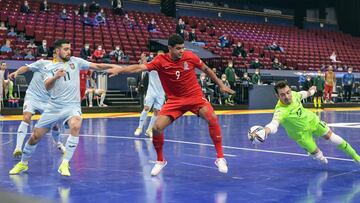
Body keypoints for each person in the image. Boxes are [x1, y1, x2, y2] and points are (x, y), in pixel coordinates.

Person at [107, 34, 235, 176]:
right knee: (156, 128)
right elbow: (139, 67)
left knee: (212, 117)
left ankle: (220, 158)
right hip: (175, 101)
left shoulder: (190, 56)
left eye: (183, 48)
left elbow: (206, 69)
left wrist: (221, 84)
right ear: (170, 48)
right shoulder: (160, 61)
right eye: (178, 48)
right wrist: (120, 70)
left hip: (195, 97)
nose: (182, 51)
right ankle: (160, 161)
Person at [9, 39, 119, 176]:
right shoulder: (48, 67)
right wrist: (55, 77)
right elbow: (47, 85)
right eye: (66, 49)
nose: (69, 51)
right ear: (57, 51)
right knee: (35, 136)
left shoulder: (76, 61)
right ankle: (23, 164)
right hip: (54, 106)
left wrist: (114, 66)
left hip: (72, 106)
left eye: (69, 49)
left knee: (76, 124)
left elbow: (96, 65)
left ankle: (65, 163)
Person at [259, 80, 360, 166]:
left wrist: (311, 91)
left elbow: (303, 94)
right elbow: (274, 124)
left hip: (312, 121)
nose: (287, 96)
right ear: (277, 96)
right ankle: (315, 153)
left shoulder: (293, 94)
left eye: (288, 92)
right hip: (301, 134)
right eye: (282, 94)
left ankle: (356, 157)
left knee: (332, 137)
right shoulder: (280, 111)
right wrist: (265, 131)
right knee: (319, 156)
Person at [8, 59, 66, 159]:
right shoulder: (42, 63)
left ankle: (59, 144)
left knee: (55, 126)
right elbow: (26, 68)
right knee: (26, 118)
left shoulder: (62, 72)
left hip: (47, 100)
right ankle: (18, 148)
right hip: (32, 96)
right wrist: (17, 72)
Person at [134, 52, 165, 137]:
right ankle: (139, 127)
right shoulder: (152, 65)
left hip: (161, 93)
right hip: (151, 91)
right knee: (146, 108)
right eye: (158, 56)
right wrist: (143, 59)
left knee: (156, 112)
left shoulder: (166, 67)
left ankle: (149, 130)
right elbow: (144, 66)